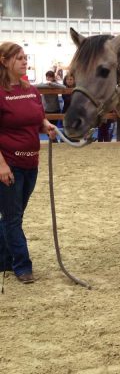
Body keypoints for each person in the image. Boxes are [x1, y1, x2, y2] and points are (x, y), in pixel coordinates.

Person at [0, 41, 57, 283]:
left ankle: (4, 260)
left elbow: (38, 119)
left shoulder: (31, 90)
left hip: (30, 163)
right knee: (13, 218)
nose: (25, 62)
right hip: (9, 164)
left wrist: (47, 126)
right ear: (5, 62)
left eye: (25, 58)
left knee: (14, 215)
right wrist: (1, 165)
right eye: (19, 58)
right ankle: (23, 266)